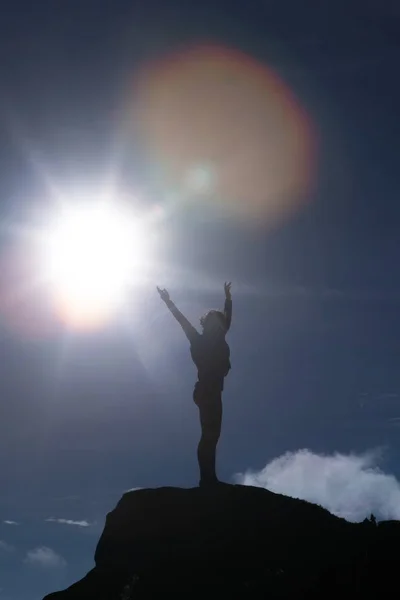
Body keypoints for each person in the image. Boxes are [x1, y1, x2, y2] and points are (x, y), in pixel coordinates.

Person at [157, 282, 232, 486]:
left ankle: (210, 477)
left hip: (215, 390)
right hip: (205, 390)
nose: (218, 325)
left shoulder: (219, 338)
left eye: (219, 322)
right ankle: (206, 479)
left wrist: (228, 298)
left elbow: (227, 319)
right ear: (207, 324)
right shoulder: (198, 340)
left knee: (213, 435)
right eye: (214, 321)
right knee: (209, 434)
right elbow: (182, 321)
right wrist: (168, 301)